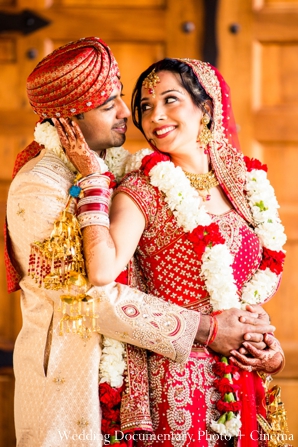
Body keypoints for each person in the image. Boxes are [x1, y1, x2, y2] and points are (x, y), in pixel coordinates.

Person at [55, 57, 287, 446]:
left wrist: (267, 350)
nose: (155, 116)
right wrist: (94, 182)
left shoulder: (245, 187)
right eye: (145, 107)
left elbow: (250, 289)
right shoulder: (141, 191)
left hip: (242, 384)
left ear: (207, 109)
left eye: (170, 100)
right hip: (178, 385)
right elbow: (101, 272)